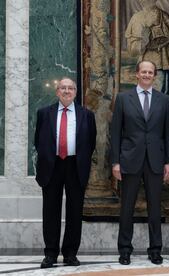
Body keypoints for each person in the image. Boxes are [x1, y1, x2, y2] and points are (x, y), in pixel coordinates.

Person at [111, 61, 169, 265]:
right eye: (143, 72)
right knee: (127, 207)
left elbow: (168, 134)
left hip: (155, 161)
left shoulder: (164, 100)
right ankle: (125, 250)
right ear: (136, 74)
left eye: (150, 72)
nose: (147, 75)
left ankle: (155, 249)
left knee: (155, 208)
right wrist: (115, 163)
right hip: (129, 160)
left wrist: (168, 162)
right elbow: (115, 133)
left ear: (154, 76)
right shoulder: (122, 98)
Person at [35, 77, 97, 269]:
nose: (67, 91)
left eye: (71, 88)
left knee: (74, 211)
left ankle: (70, 254)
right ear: (57, 91)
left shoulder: (87, 115)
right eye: (63, 88)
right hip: (52, 166)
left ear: (76, 92)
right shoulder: (44, 113)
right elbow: (38, 140)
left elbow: (91, 142)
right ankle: (51, 254)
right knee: (50, 211)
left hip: (75, 165)